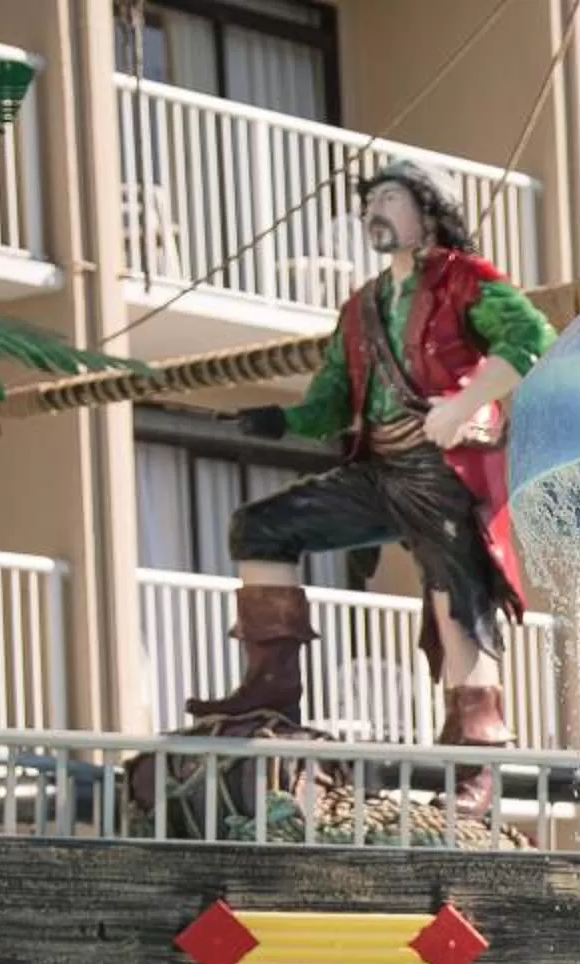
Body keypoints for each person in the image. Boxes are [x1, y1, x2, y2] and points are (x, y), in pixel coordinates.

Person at [206, 162, 554, 812]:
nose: (377, 208)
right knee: (260, 526)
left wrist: (464, 402)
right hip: (380, 467)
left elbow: (531, 337)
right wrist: (279, 419)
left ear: (427, 210)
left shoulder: (463, 281)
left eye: (390, 197)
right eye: (371, 199)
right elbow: (331, 402)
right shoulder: (360, 308)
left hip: (445, 467)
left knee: (458, 597)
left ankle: (477, 759)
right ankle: (270, 691)